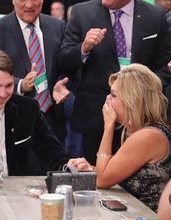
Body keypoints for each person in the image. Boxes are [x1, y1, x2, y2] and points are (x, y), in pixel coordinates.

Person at [58, 0, 171, 165]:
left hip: (142, 120)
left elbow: (164, 67)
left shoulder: (155, 15)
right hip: (95, 117)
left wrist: (143, 91)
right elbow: (64, 62)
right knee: (95, 179)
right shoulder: (82, 12)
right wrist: (84, 48)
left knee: (133, 182)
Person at [68, 63, 171, 211]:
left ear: (132, 100)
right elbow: (112, 173)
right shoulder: (135, 131)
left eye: (114, 95)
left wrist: (108, 126)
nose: (107, 99)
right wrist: (91, 169)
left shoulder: (148, 136)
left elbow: (102, 180)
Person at [0, 0, 67, 145]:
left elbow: (65, 63)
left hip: (54, 116)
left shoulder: (58, 26)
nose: (29, 5)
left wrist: (62, 82)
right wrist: (20, 85)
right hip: (14, 118)